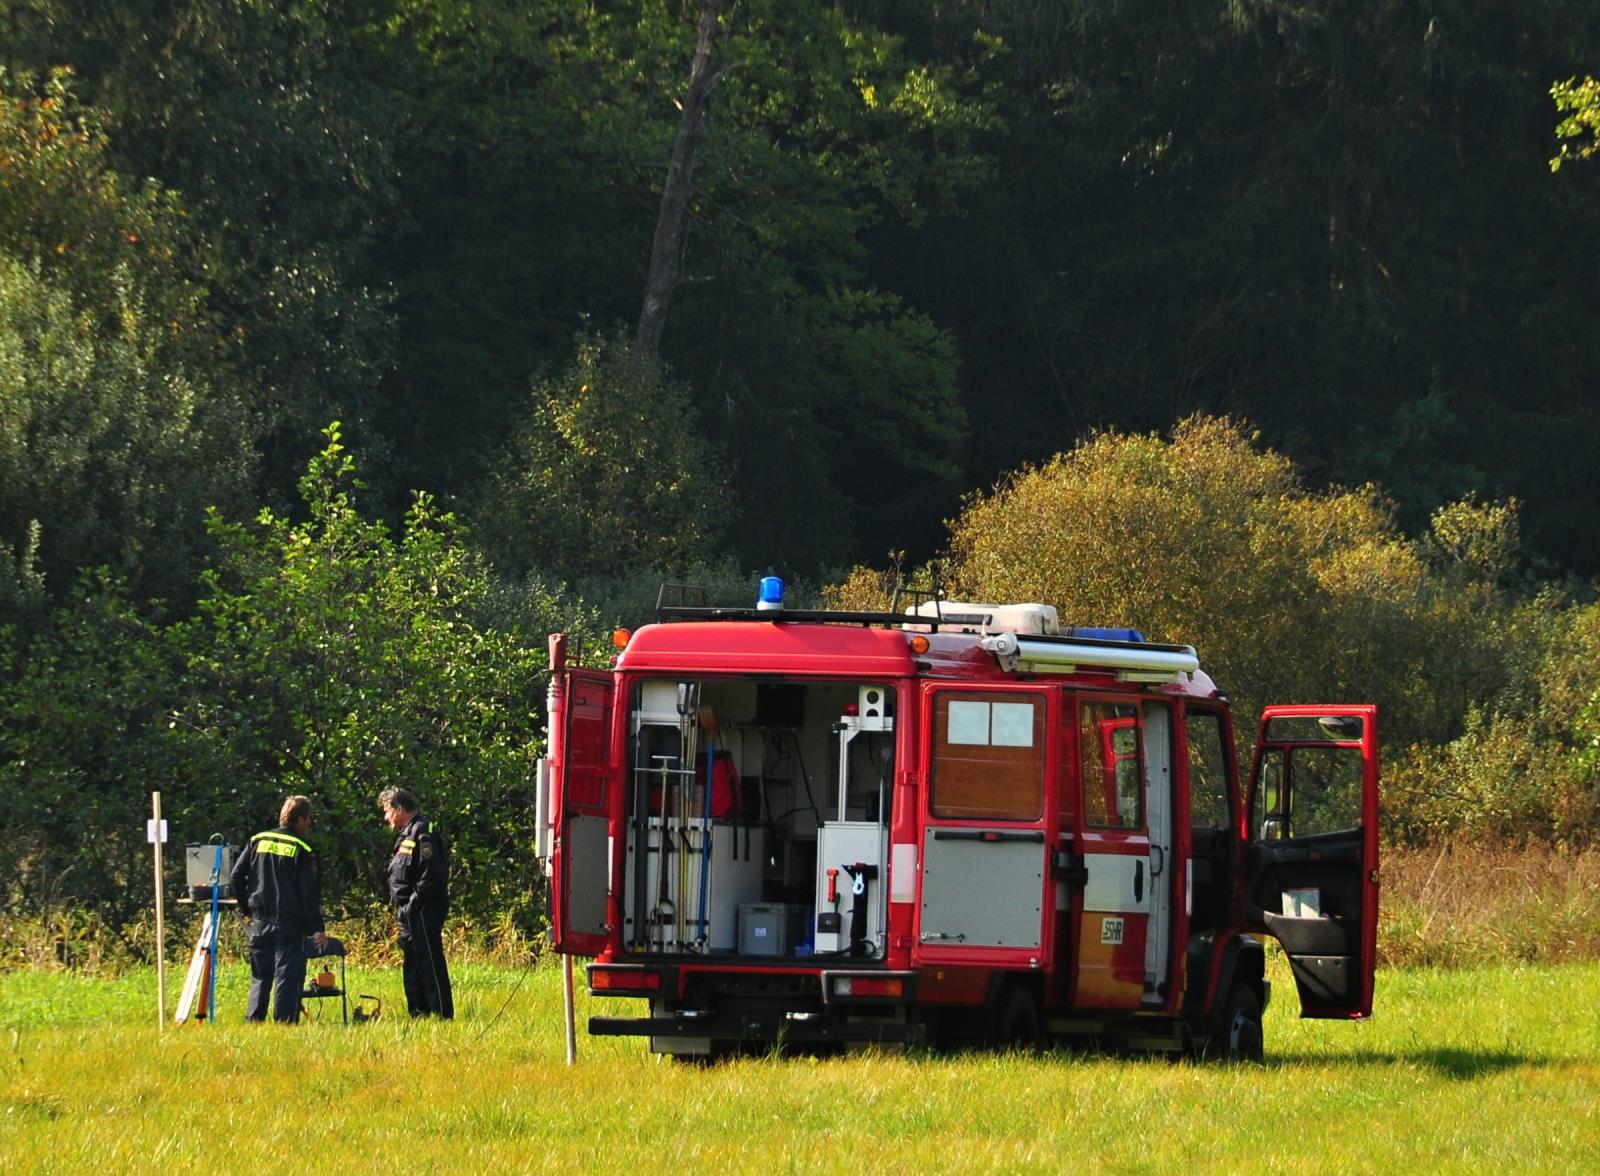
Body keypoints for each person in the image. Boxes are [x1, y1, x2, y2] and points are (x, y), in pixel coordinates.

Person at [229, 795, 328, 1023]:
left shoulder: (257, 840)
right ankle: (284, 1023)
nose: (309, 824)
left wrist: (247, 908)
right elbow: (308, 894)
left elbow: (236, 876)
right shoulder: (302, 848)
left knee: (260, 975)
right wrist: (317, 928)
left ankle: (254, 1020)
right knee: (287, 974)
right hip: (289, 922)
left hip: (260, 919)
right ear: (300, 819)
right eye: (308, 819)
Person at [378, 786, 454, 1018]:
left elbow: (432, 874)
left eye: (387, 811)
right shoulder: (405, 836)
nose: (386, 817)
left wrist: (413, 904)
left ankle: (440, 1015)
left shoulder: (423, 832)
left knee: (429, 962)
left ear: (400, 808)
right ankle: (418, 1014)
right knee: (412, 964)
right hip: (407, 912)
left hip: (422, 910)